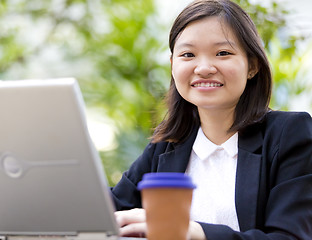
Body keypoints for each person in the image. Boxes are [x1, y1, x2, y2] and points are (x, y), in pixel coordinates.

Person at [110, 0, 312, 239]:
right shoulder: (165, 147)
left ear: (252, 66)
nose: (203, 68)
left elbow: (290, 236)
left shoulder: (290, 134)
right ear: (173, 66)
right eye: (188, 54)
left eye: (222, 53)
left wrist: (195, 232)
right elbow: (108, 211)